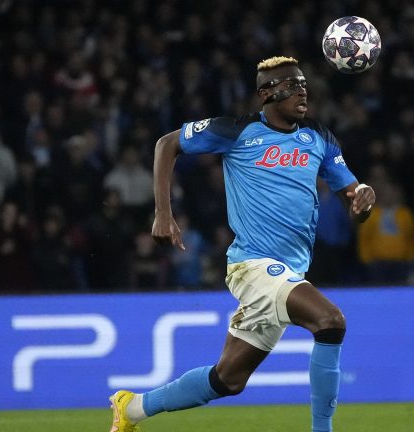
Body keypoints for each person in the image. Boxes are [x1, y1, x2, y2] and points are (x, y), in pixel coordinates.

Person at [108, 56, 375, 432]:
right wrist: (163, 213)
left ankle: (132, 408)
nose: (303, 91)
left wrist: (364, 198)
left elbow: (354, 195)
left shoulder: (319, 137)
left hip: (288, 272)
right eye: (292, 85)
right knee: (330, 322)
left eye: (304, 84)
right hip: (253, 267)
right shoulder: (236, 131)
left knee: (227, 380)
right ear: (268, 93)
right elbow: (166, 144)